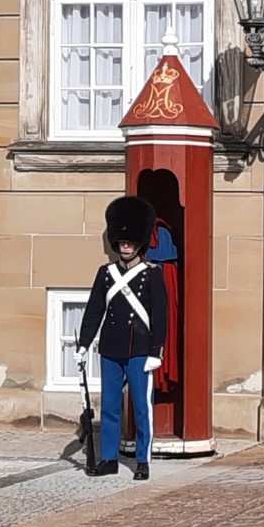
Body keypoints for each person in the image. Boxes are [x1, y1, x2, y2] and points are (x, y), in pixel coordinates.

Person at [75, 195, 168, 481]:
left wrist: (156, 350)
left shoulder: (152, 274)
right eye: (122, 242)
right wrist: (83, 344)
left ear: (139, 242)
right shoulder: (106, 274)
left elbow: (159, 315)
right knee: (111, 407)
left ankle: (142, 460)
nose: (126, 246)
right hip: (112, 348)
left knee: (141, 407)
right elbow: (94, 310)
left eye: (130, 242)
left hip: (140, 348)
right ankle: (109, 459)